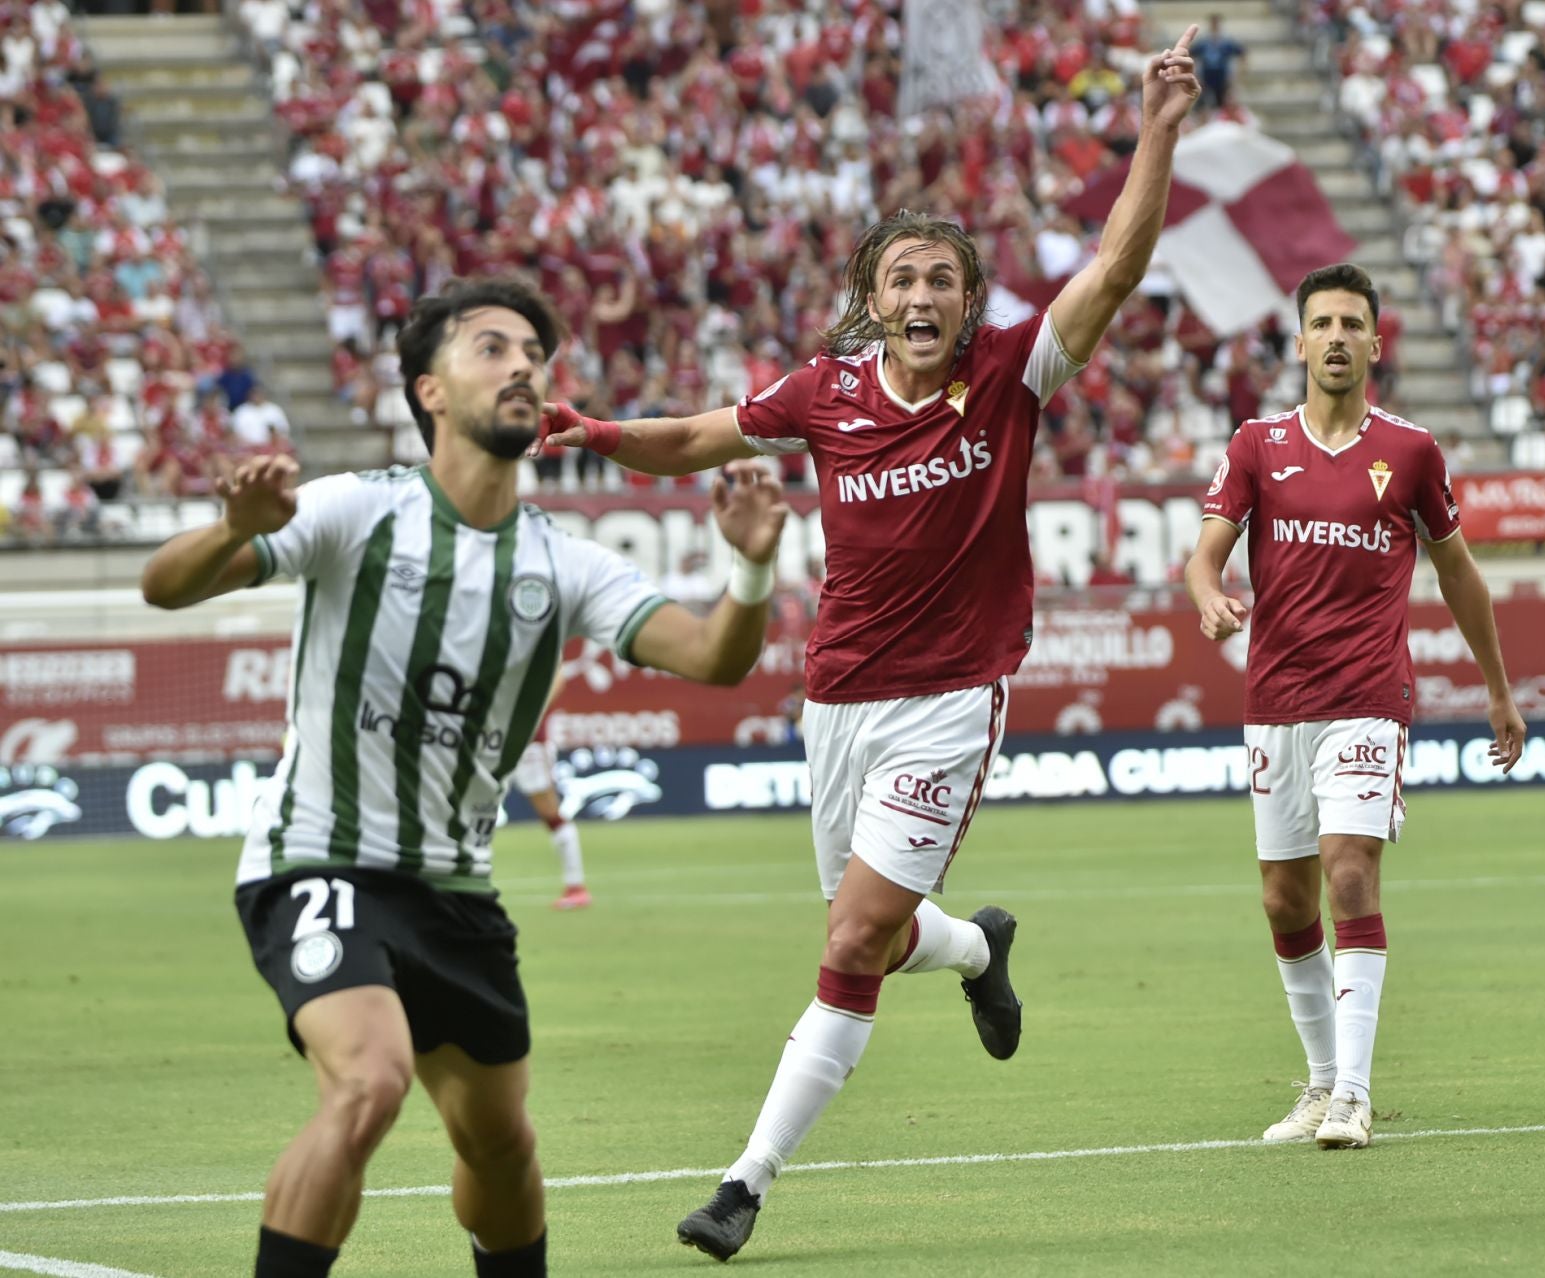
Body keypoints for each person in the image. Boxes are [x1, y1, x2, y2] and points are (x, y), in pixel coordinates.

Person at [539, 28, 1204, 1262]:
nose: (920, 299)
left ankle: (745, 1182)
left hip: (950, 701)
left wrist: (1156, 128)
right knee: (888, 936)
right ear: (871, 298)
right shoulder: (825, 394)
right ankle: (977, 947)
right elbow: (697, 437)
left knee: (847, 942)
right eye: (900, 280)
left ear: (967, 302)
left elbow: (1113, 269)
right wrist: (597, 431)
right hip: (835, 700)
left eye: (941, 282)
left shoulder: (1012, 374)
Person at [139, 276, 789, 1278]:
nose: (523, 365)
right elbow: (164, 585)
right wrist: (234, 526)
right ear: (428, 390)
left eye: (534, 351)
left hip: (455, 892)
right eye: (492, 348)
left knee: (501, 1143)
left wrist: (749, 571)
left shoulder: (564, 563)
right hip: (320, 862)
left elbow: (714, 657)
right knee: (368, 1085)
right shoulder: (357, 512)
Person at [1184, 263, 1526, 1152]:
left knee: (1347, 877)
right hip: (1275, 703)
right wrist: (1208, 595)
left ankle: (1355, 1096)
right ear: (1299, 343)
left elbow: (1460, 575)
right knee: (1282, 899)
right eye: (1322, 324)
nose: (1336, 337)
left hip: (1367, 700)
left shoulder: (1410, 452)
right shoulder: (1257, 444)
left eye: (1352, 324)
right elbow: (1203, 556)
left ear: (1376, 343)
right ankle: (1321, 1083)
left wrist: (1496, 688)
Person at [509, 670, 592, 910]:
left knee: (550, 813)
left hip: (530, 745)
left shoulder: (535, 638)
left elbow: (557, 675)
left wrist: (531, 710)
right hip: (491, 742)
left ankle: (576, 887)